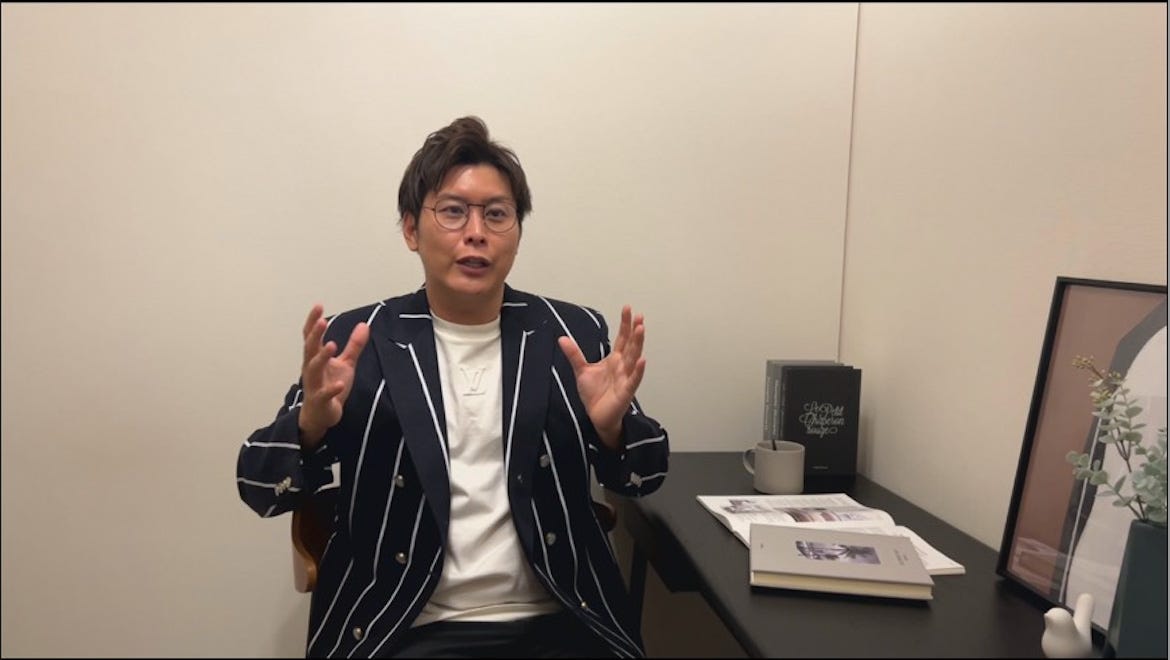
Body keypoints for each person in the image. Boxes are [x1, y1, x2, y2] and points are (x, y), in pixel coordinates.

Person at [236, 116, 670, 658]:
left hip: (561, 620)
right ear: (411, 230)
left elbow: (644, 478)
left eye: (497, 214)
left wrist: (613, 432)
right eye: (453, 211)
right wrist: (309, 428)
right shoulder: (358, 340)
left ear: (517, 232)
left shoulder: (571, 334)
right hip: (403, 628)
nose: (476, 232)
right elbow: (259, 487)